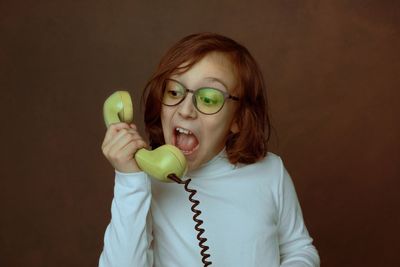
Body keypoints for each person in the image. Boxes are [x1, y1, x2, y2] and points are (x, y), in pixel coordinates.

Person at [99, 32, 320, 267]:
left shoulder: (270, 172)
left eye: (209, 99)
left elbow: (299, 249)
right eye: (174, 91)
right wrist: (130, 180)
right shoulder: (146, 186)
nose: (185, 110)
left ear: (238, 119)